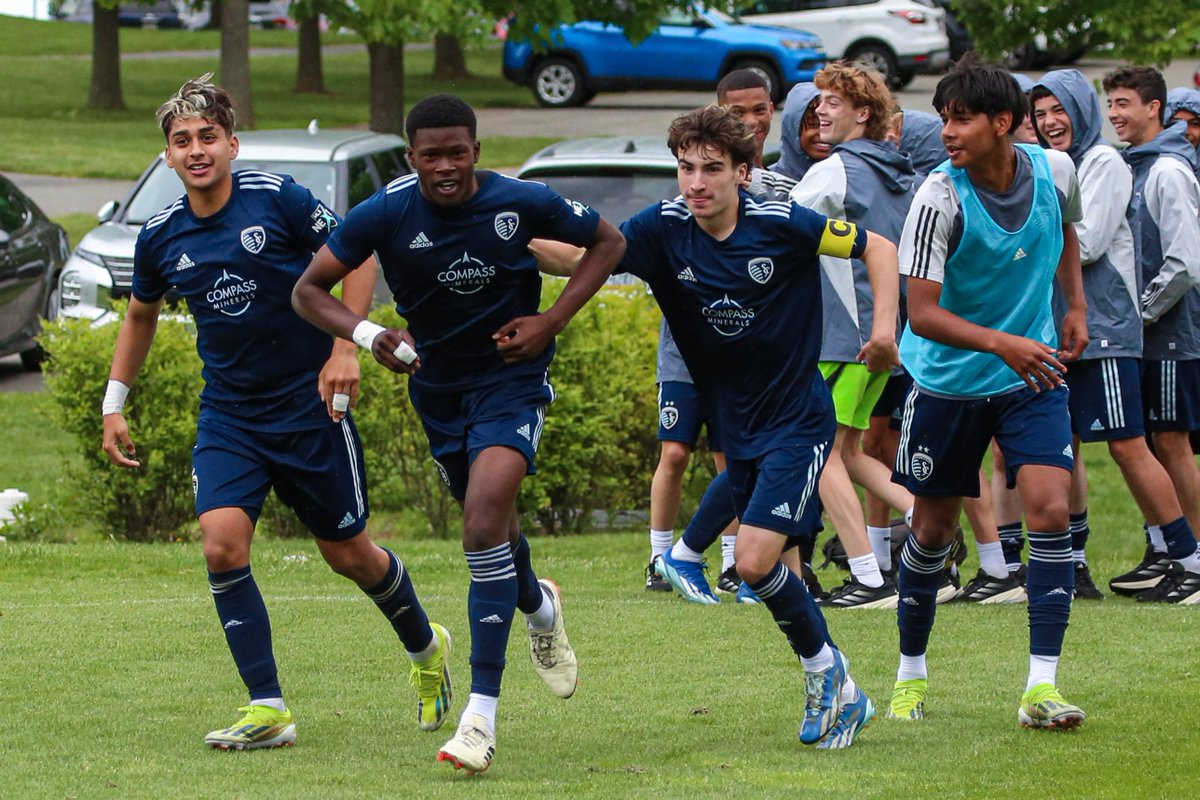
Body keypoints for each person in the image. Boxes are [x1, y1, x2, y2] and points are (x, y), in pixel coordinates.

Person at [100, 74, 453, 751]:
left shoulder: (278, 199)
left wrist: (344, 347)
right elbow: (140, 314)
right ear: (168, 158)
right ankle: (268, 709)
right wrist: (115, 403)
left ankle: (424, 647)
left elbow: (356, 253)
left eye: (208, 137)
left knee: (348, 554)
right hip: (230, 416)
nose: (196, 150)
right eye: (182, 142)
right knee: (221, 544)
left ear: (232, 143)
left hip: (309, 407)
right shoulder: (160, 236)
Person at [292, 94, 626, 773]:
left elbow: (610, 241)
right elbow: (308, 291)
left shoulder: (521, 201)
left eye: (457, 153)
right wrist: (368, 334)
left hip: (511, 383)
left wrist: (551, 321)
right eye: (430, 155)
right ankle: (538, 605)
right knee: (494, 529)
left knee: (480, 526)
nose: (444, 167)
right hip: (439, 394)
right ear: (412, 157)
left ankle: (480, 718)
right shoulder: (385, 213)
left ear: (477, 151)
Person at [629, 103, 900, 749]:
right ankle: (836, 679)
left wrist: (885, 330)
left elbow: (880, 248)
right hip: (736, 423)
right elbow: (585, 252)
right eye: (686, 168)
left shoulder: (784, 222)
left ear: (743, 173)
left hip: (797, 421)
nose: (696, 183)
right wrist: (516, 235)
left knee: (753, 562)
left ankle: (828, 676)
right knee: (756, 567)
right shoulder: (665, 225)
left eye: (712, 170)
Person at [888, 57, 1089, 729]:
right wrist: (1003, 341)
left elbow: (1065, 232)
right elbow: (921, 314)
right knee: (933, 530)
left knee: (1051, 510)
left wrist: (1075, 307)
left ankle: (1041, 688)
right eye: (944, 118)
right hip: (948, 384)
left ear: (1004, 124)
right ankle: (910, 674)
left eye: (962, 118)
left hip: (1029, 376)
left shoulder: (1055, 171)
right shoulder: (937, 198)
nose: (947, 130)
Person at [1029, 69, 1197, 603]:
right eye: (1041, 113)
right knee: (1064, 446)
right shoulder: (1064, 163)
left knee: (1131, 444)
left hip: (1105, 330)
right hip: (1064, 331)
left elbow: (1093, 241)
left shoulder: (1105, 161)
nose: (1050, 121)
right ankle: (1074, 564)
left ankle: (1188, 559)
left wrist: (1021, 241)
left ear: (1080, 111)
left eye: (1059, 110)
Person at [790, 62, 911, 608]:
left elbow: (781, 228)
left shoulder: (835, 170)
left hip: (842, 334)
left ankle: (868, 579)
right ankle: (926, 519)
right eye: (819, 102)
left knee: (821, 457)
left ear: (863, 113)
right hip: (883, 336)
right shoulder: (895, 170)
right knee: (852, 450)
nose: (820, 110)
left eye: (832, 103)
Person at [1102, 66, 1200, 603]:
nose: (1114, 114)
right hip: (1148, 334)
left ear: (1154, 109)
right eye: (1110, 105)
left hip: (1170, 334)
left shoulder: (1167, 170)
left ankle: (1194, 561)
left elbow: (1184, 263)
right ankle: (1168, 550)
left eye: (1123, 103)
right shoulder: (1132, 165)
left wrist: (1135, 314)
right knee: (1155, 445)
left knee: (1170, 442)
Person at [771, 83, 831, 182]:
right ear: (792, 129)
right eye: (813, 125)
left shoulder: (850, 179)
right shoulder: (768, 185)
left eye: (829, 125)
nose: (823, 134)